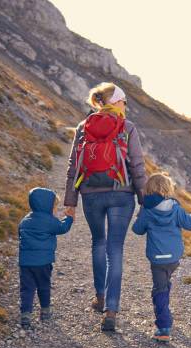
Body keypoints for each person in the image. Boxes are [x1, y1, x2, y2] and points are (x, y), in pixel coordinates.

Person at [64, 82, 146, 331]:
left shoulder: (83, 127)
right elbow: (137, 166)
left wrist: (70, 202)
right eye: (124, 101)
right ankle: (111, 310)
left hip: (90, 194)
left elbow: (72, 166)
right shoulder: (127, 127)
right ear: (117, 102)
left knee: (98, 242)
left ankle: (100, 297)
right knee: (115, 249)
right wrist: (144, 199)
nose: (126, 106)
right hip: (121, 194)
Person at [132, 173, 191, 342]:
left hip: (157, 259)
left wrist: (140, 214)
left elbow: (137, 229)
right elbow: (190, 224)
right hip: (173, 258)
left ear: (149, 189)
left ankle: (164, 327)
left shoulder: (147, 210)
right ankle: (165, 313)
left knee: (159, 289)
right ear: (167, 189)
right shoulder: (175, 208)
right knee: (164, 285)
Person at [18, 187, 74, 328]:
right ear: (48, 206)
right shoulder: (50, 221)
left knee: (27, 288)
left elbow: (19, 233)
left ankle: (25, 314)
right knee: (44, 286)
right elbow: (62, 228)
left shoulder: (25, 220)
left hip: (25, 262)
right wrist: (69, 218)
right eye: (54, 206)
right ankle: (45, 311)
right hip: (43, 262)